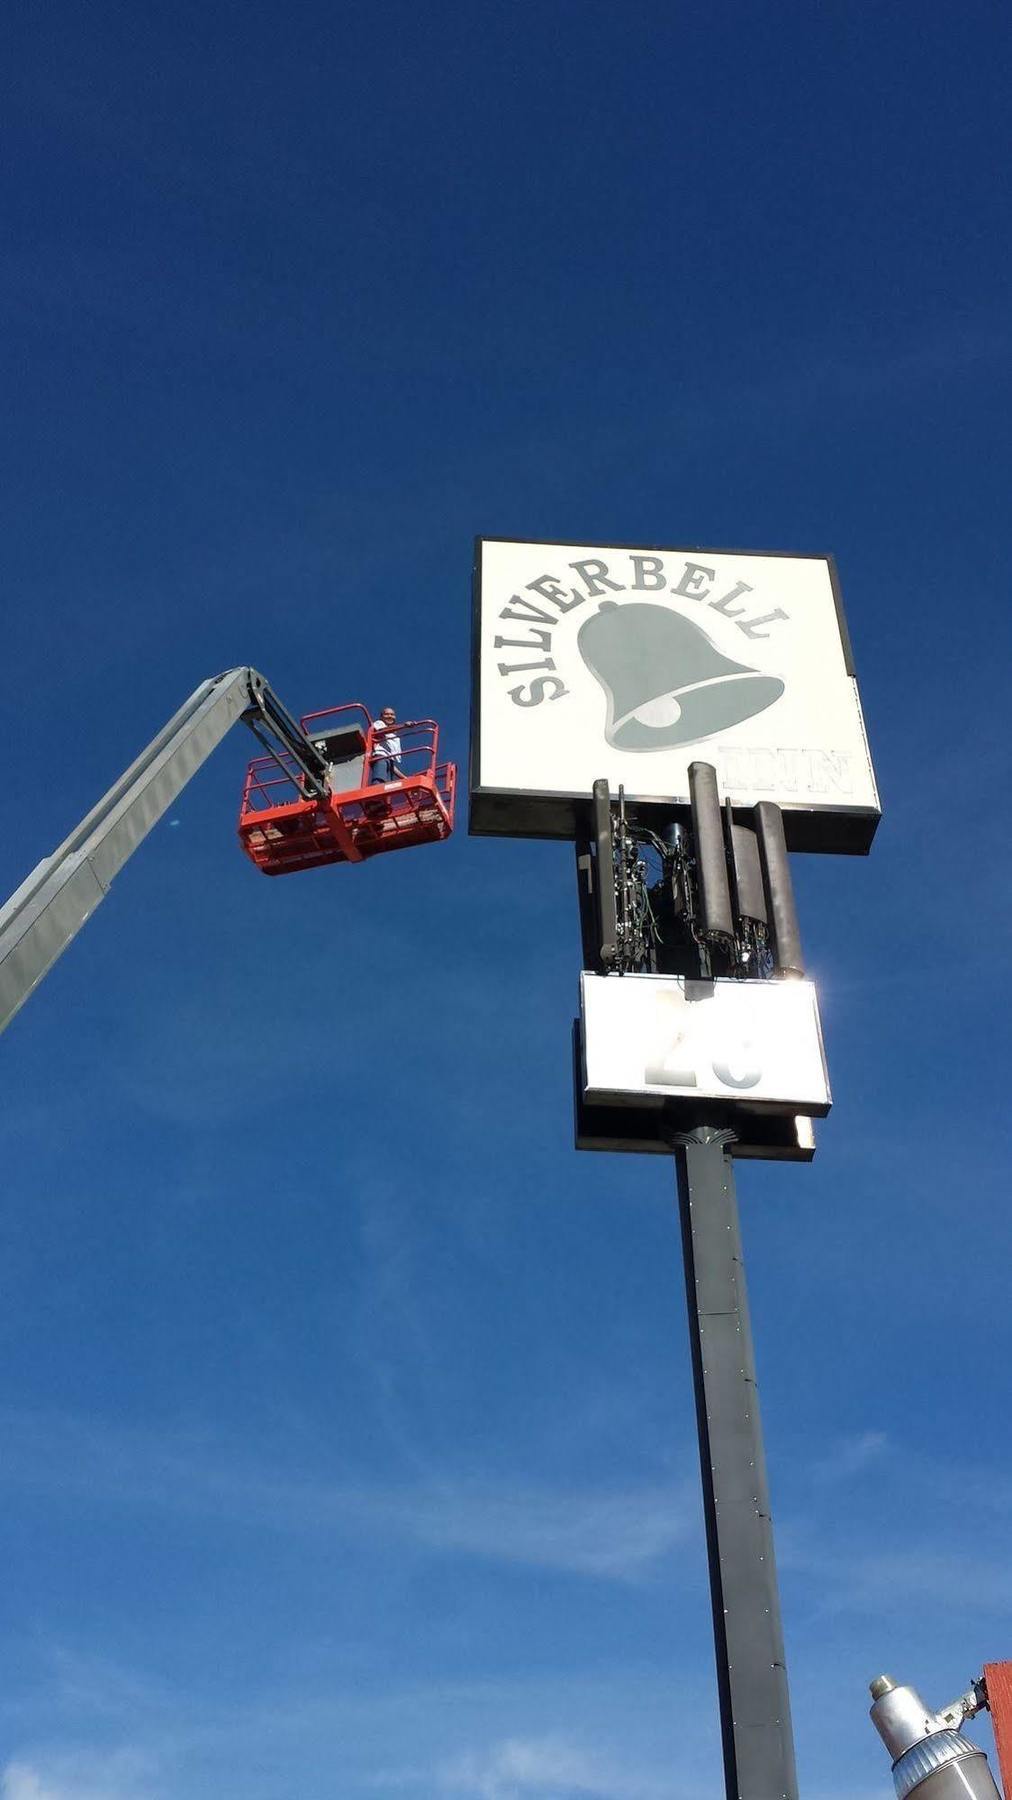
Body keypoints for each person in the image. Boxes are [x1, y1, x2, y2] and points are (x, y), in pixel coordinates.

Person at [370, 706, 404, 784]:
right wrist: (403, 726)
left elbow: (392, 766)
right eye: (387, 714)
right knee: (379, 781)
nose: (390, 716)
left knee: (388, 786)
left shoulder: (394, 737)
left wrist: (405, 778)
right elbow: (381, 731)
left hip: (388, 761)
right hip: (380, 756)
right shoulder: (379, 723)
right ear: (381, 717)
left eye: (392, 714)